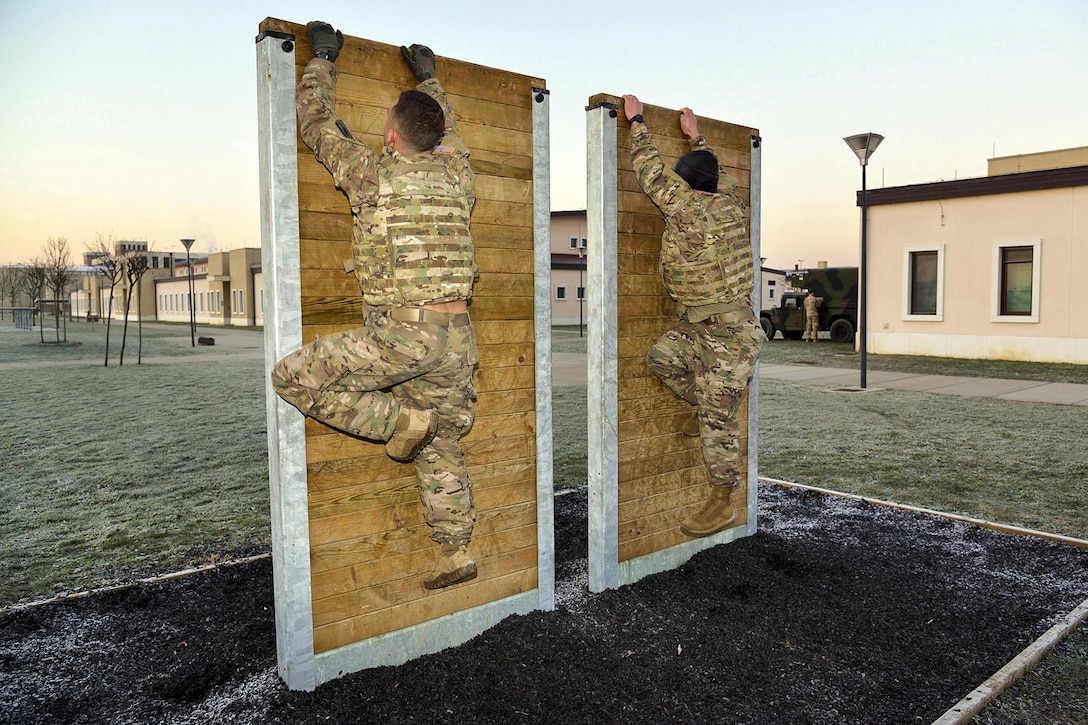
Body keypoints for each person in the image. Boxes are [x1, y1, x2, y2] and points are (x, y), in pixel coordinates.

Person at [271, 21, 479, 589]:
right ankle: (457, 553)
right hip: (459, 337)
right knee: (441, 440)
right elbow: (448, 128)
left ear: (390, 137)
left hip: (404, 336)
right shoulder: (459, 174)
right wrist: (431, 77)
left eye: (387, 124)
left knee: (291, 378)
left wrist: (324, 58)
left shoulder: (373, 174)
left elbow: (316, 124)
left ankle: (401, 421)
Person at [622, 94, 766, 538]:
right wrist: (696, 138)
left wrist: (637, 122)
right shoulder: (732, 206)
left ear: (687, 189)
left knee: (717, 425)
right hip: (703, 329)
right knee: (662, 357)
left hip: (731, 336)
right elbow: (713, 176)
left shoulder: (687, 209)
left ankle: (722, 500)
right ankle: (705, 402)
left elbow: (651, 172)